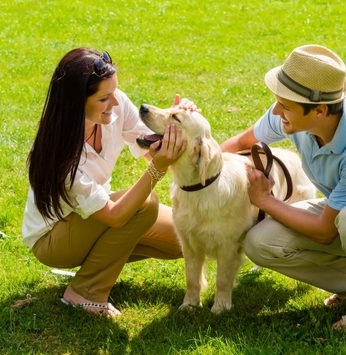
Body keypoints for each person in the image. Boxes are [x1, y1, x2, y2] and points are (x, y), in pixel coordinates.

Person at [22, 48, 197, 317]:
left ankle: (99, 263)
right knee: (144, 204)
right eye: (104, 98)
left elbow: (152, 146)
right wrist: (157, 170)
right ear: (76, 102)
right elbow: (115, 216)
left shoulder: (114, 106)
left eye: (114, 93)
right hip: (53, 238)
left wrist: (178, 121)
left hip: (93, 218)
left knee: (184, 238)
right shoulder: (60, 154)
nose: (115, 102)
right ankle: (85, 291)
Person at [220, 44, 346, 330]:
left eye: (286, 106)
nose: (277, 110)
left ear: (320, 111)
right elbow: (240, 143)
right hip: (335, 212)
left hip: (340, 218)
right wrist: (206, 182)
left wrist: (265, 200)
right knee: (260, 242)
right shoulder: (292, 115)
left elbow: (326, 232)